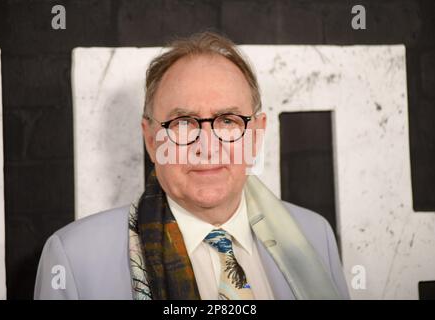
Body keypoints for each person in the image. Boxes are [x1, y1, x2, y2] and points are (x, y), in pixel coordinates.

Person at [34, 31, 350, 300]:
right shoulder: (74, 260)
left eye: (228, 120)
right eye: (184, 122)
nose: (207, 146)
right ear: (150, 138)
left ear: (255, 135)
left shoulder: (314, 235)